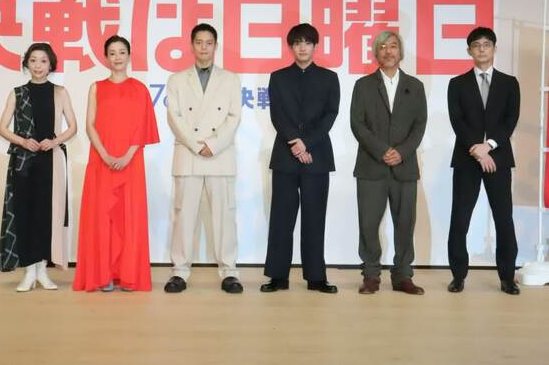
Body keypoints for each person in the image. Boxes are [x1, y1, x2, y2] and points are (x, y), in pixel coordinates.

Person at [73, 35, 159, 292]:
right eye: (112, 53)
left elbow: (143, 127)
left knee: (128, 217)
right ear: (106, 58)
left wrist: (126, 157)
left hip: (130, 162)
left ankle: (129, 274)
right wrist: (104, 154)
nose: (117, 57)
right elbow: (90, 124)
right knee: (103, 219)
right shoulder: (96, 87)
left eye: (122, 52)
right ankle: (105, 275)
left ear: (129, 56)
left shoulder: (140, 89)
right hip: (102, 161)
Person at [163, 23, 243, 294]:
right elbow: (174, 117)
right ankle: (179, 271)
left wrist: (213, 144)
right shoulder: (176, 80)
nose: (204, 47)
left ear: (215, 46)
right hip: (188, 155)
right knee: (183, 216)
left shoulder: (231, 79)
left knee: (225, 217)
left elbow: (234, 117)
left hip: (220, 156)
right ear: (192, 45)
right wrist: (197, 146)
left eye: (209, 42)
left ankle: (229, 272)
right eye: (199, 42)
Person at [260, 23, 339, 294]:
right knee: (281, 218)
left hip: (317, 156)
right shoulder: (278, 77)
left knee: (315, 218)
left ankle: (316, 277)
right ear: (291, 47)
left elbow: (330, 115)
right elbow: (277, 115)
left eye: (307, 42)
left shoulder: (329, 78)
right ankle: (278, 276)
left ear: (315, 46)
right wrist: (295, 142)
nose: (302, 47)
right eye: (297, 43)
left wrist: (307, 143)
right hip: (285, 155)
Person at [350, 31, 427, 295]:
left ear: (400, 51)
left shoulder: (415, 86)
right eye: (382, 47)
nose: (388, 51)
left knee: (405, 223)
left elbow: (419, 125)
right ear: (376, 53)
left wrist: (401, 152)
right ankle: (371, 275)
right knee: (368, 223)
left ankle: (403, 275)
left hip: (404, 167)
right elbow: (357, 124)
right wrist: (382, 150)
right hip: (371, 166)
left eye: (393, 46)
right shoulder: (363, 85)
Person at [0, 43, 77, 292]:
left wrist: (54, 141)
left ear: (50, 64)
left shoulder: (60, 92)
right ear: (26, 64)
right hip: (23, 161)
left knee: (47, 215)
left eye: (43, 61)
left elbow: (73, 127)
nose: (38, 65)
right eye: (33, 60)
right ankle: (28, 272)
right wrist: (23, 141)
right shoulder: (17, 93)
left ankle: (42, 270)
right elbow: (2, 128)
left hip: (51, 160)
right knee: (25, 213)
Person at [447, 27, 521, 295]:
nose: (481, 49)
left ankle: (507, 277)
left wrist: (488, 146)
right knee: (460, 218)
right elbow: (457, 121)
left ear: (494, 48)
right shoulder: (457, 83)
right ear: (469, 51)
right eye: (476, 45)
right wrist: (476, 150)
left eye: (486, 44)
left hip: (498, 159)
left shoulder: (509, 83)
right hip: (466, 159)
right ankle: (458, 275)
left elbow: (510, 120)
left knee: (504, 218)